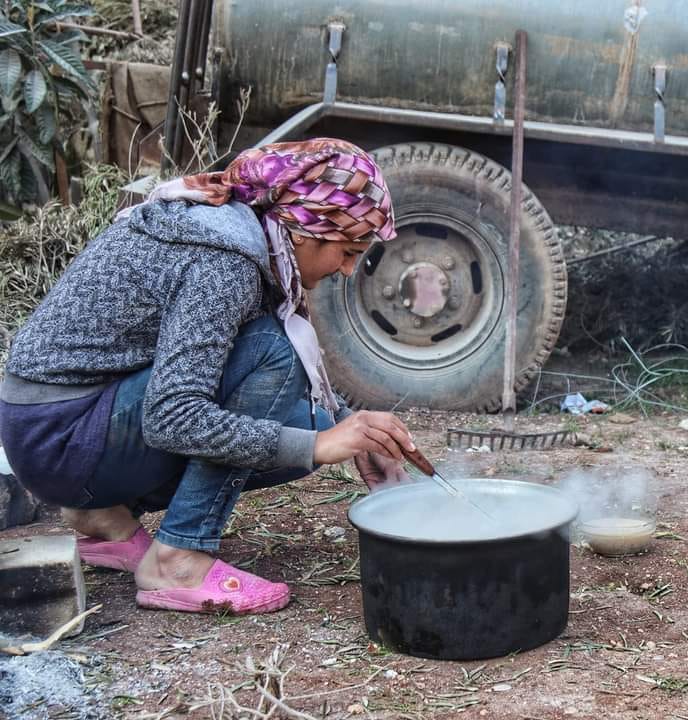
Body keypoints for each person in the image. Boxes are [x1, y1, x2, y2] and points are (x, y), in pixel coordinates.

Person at [0, 138, 418, 614]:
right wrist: (320, 446)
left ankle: (104, 517)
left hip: (53, 427)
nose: (346, 270)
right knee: (275, 361)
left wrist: (352, 431)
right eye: (347, 251)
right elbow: (172, 417)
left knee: (305, 422)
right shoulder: (226, 261)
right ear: (302, 231)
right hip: (61, 438)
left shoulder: (242, 230)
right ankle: (178, 561)